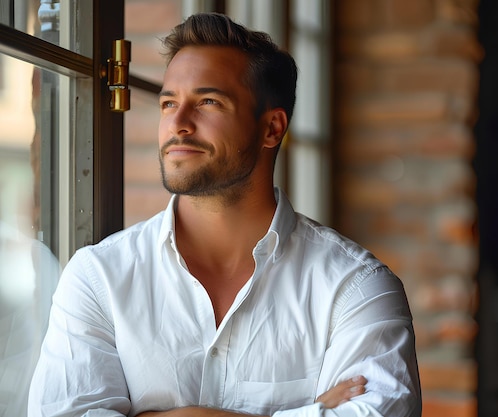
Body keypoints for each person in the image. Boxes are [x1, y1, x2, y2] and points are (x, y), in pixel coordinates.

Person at [28, 12, 421, 417]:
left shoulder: (355, 288)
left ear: (271, 128)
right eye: (168, 103)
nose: (177, 124)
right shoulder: (98, 280)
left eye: (208, 102)